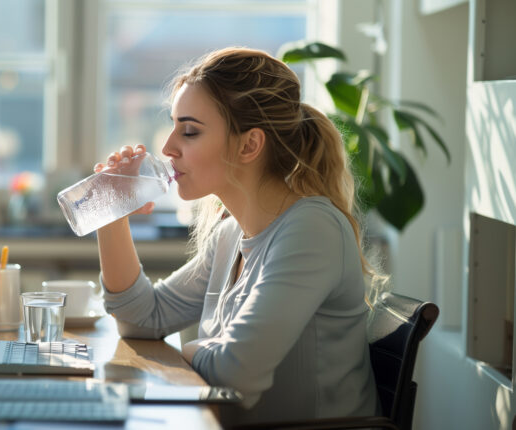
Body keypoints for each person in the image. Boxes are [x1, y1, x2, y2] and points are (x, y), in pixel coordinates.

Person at [93, 47, 380, 426]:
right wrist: (110, 213)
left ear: (249, 145)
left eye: (190, 131)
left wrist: (190, 350)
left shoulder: (312, 229)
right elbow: (142, 318)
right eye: (174, 124)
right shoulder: (231, 233)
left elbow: (236, 375)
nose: (167, 147)